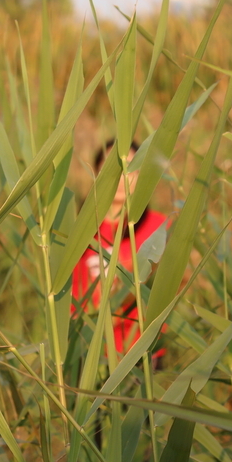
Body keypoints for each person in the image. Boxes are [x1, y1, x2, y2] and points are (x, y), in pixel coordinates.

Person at [71, 139, 170, 358]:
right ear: (97, 174)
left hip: (141, 353)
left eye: (130, 169)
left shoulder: (160, 228)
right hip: (90, 353)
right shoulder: (79, 229)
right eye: (111, 170)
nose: (121, 178)